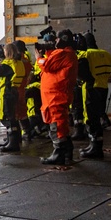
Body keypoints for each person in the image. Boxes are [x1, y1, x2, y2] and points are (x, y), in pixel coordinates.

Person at [38, 30, 78, 165]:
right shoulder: (64, 53)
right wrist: (48, 51)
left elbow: (47, 65)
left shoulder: (64, 53)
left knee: (57, 123)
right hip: (54, 94)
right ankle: (66, 152)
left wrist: (39, 57)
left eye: (56, 40)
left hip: (55, 95)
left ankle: (59, 153)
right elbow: (52, 64)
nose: (54, 42)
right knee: (60, 123)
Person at [80, 32, 111, 157]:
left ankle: (95, 148)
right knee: (98, 117)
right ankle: (94, 145)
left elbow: (82, 72)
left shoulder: (87, 54)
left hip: (91, 88)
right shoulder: (106, 54)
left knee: (91, 118)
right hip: (103, 87)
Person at [0, 42, 28, 152]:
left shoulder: (8, 64)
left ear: (7, 52)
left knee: (7, 117)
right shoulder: (19, 62)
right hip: (15, 91)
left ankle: (13, 143)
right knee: (13, 116)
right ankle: (13, 140)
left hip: (7, 92)